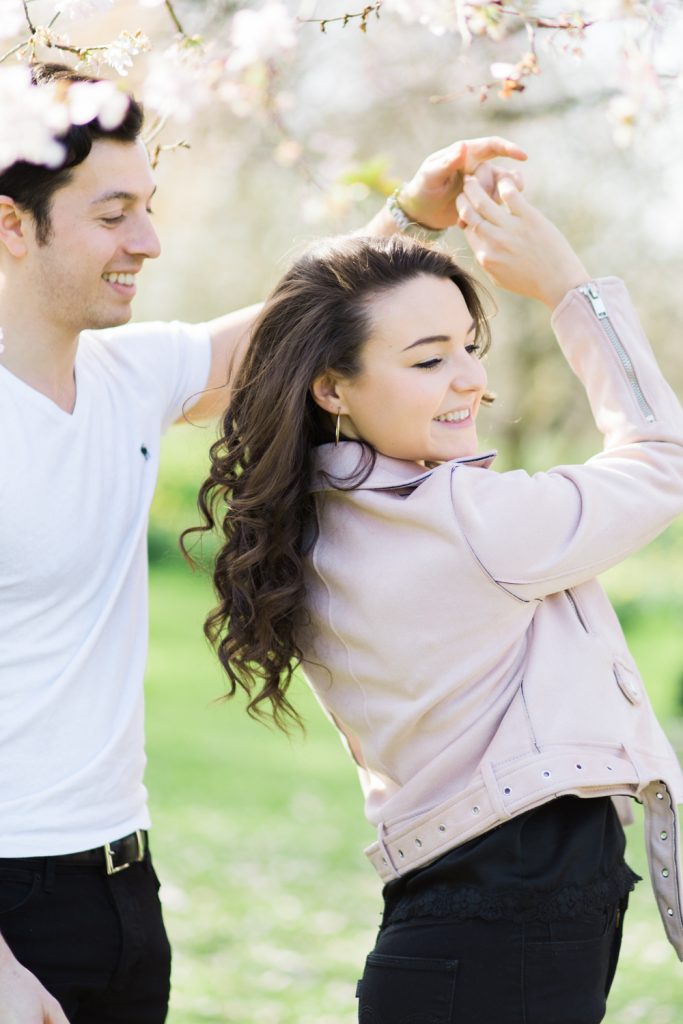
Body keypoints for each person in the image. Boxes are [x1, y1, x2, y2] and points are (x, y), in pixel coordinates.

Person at [0, 59, 526, 1024]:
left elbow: (287, 333)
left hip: (116, 886)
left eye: (149, 207)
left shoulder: (129, 376)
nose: (149, 241)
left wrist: (414, 214)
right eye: (114, 214)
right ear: (10, 224)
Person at [190, 173, 683, 1022]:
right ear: (331, 388)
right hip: (507, 933)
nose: (471, 381)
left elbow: (294, 329)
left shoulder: (310, 519)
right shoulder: (469, 520)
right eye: (428, 359)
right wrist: (570, 289)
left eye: (468, 345)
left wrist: (403, 222)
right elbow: (661, 456)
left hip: (459, 931)